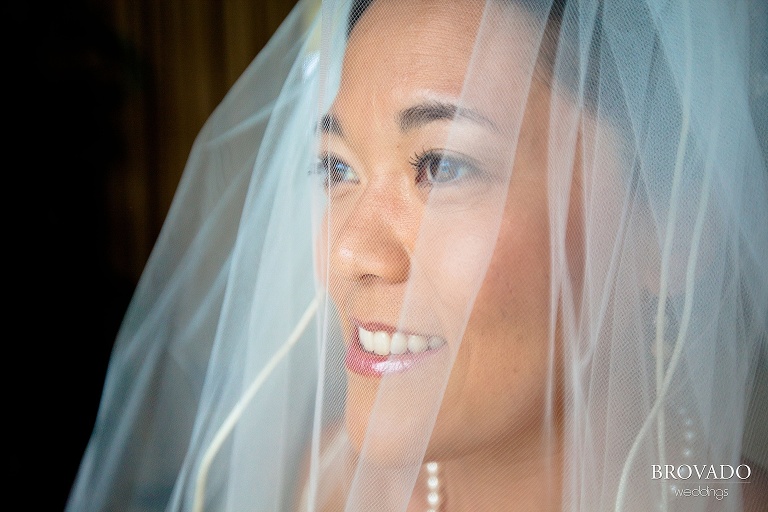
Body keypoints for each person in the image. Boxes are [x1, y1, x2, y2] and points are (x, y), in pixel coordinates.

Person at [67, 1, 768, 511]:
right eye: (335, 168)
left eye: (441, 164)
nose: (348, 252)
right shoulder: (323, 491)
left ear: (678, 228)